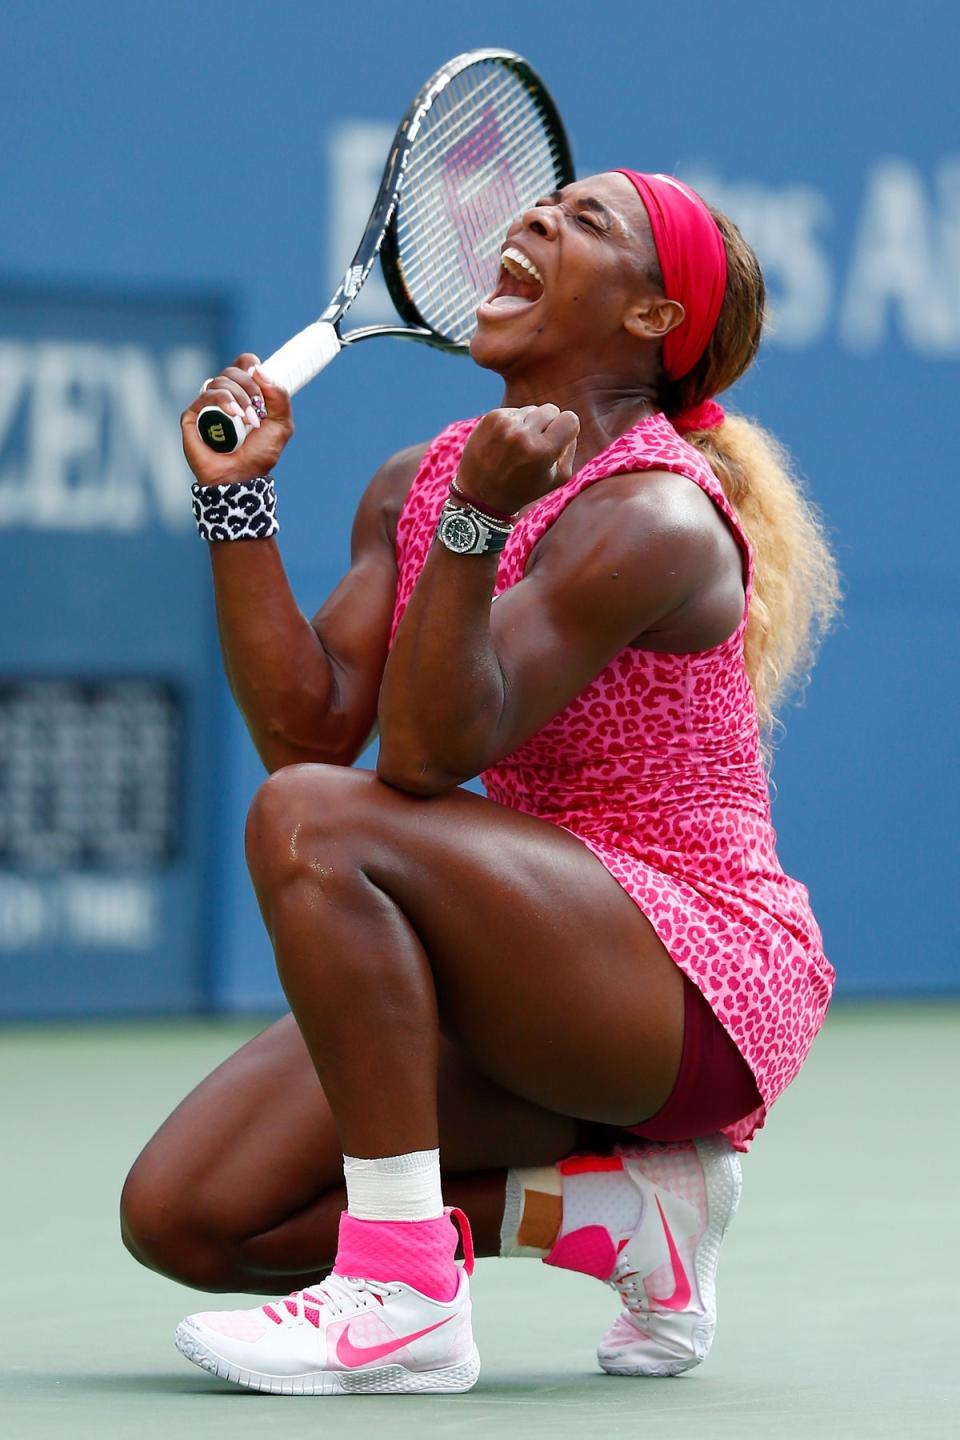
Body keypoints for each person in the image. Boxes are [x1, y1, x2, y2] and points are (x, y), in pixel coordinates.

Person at [120, 170, 839, 1396]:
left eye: (587, 222)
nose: (535, 223)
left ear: (654, 321)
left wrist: (474, 527)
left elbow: (423, 759)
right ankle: (622, 1217)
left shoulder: (656, 515)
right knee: (188, 1216)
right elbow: (311, 733)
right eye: (541, 207)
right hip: (521, 953)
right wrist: (235, 504)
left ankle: (402, 1288)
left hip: (691, 988)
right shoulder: (420, 478)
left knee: (315, 828)